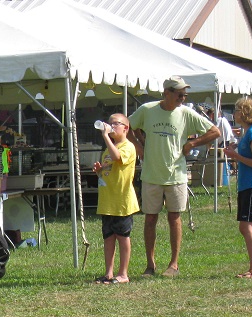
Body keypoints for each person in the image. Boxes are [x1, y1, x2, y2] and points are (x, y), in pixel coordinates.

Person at [127, 76, 220, 278]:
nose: (182, 98)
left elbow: (215, 131)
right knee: (150, 218)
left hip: (176, 175)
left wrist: (192, 143)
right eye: (179, 94)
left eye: (184, 95)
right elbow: (127, 127)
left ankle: (174, 264)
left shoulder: (186, 113)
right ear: (166, 93)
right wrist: (140, 147)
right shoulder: (147, 110)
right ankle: (150, 265)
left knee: (174, 218)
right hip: (152, 174)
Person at [223, 97, 252, 279]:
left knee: (246, 226)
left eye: (236, 110)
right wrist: (235, 148)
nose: (234, 114)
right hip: (248, 185)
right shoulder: (247, 133)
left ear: (245, 113)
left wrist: (235, 156)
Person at [92, 114, 139, 285]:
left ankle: (123, 273)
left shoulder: (128, 146)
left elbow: (118, 157)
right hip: (107, 201)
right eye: (109, 123)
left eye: (115, 124)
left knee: (122, 236)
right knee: (108, 237)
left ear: (125, 128)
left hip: (121, 201)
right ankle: (108, 273)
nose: (111, 126)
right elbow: (110, 168)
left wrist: (105, 136)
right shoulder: (108, 149)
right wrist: (99, 170)